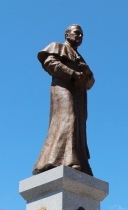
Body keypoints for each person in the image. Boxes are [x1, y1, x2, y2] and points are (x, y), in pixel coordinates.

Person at [33, 24, 95, 176]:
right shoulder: (58, 47)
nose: (79, 36)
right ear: (67, 34)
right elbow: (50, 63)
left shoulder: (81, 59)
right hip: (63, 89)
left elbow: (90, 83)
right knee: (67, 119)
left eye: (82, 35)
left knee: (78, 126)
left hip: (79, 95)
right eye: (76, 33)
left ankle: (78, 161)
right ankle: (60, 160)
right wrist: (72, 73)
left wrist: (85, 72)